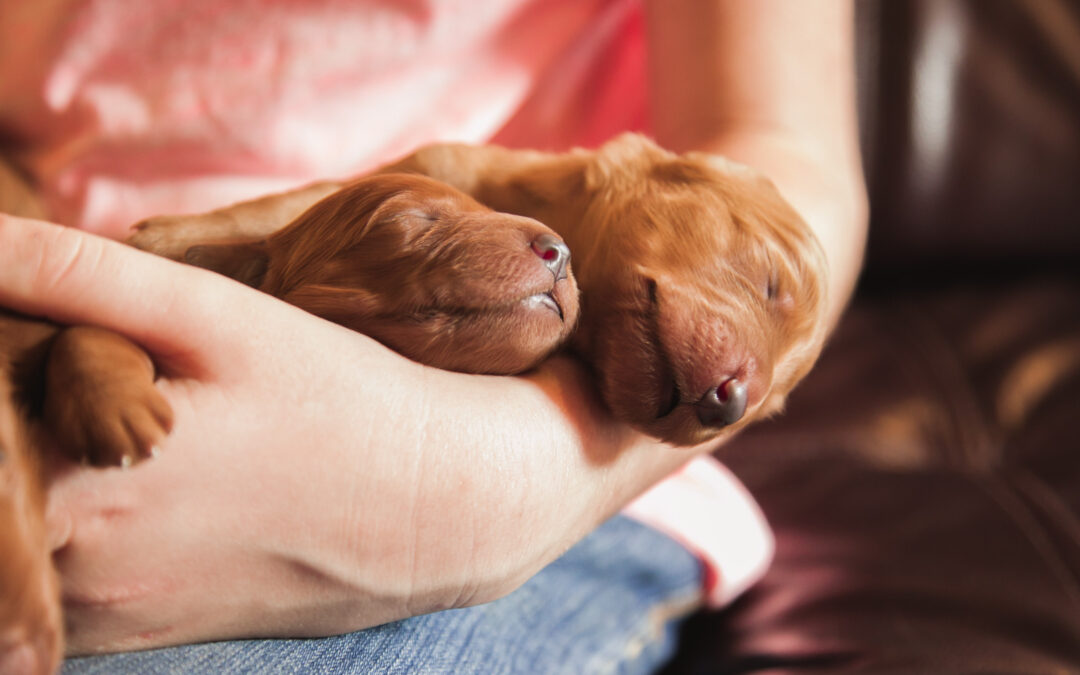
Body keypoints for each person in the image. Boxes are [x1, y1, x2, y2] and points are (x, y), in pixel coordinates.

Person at [0, 1, 867, 672]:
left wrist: (469, 491)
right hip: (67, 294)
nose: (741, 397)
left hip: (545, 463)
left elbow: (790, 149)